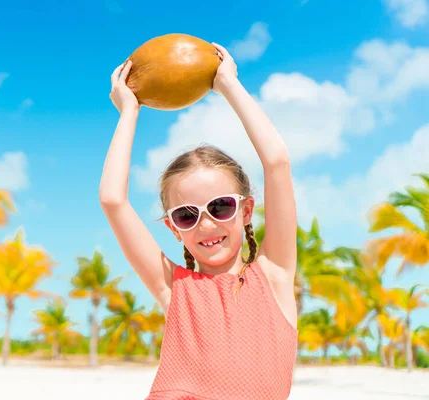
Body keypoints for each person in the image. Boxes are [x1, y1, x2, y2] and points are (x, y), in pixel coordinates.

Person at [99, 42, 299, 400]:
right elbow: (113, 201)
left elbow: (277, 162)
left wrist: (228, 85)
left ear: (247, 211)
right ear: (173, 228)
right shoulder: (175, 289)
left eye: (220, 207)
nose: (206, 224)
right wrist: (128, 112)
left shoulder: (274, 277)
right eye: (187, 215)